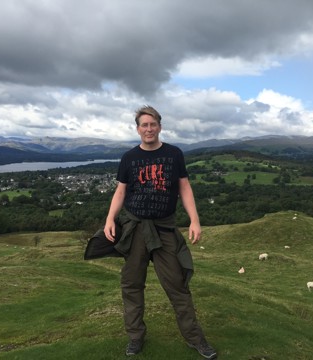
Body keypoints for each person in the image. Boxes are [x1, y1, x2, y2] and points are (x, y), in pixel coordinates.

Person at [104, 105, 217, 359]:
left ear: (160, 126)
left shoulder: (174, 154)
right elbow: (121, 191)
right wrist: (110, 218)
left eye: (152, 124)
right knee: (132, 284)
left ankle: (194, 338)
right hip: (135, 229)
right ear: (137, 129)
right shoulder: (129, 158)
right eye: (144, 125)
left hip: (165, 228)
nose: (148, 129)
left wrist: (194, 220)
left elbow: (185, 188)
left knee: (177, 284)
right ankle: (135, 337)